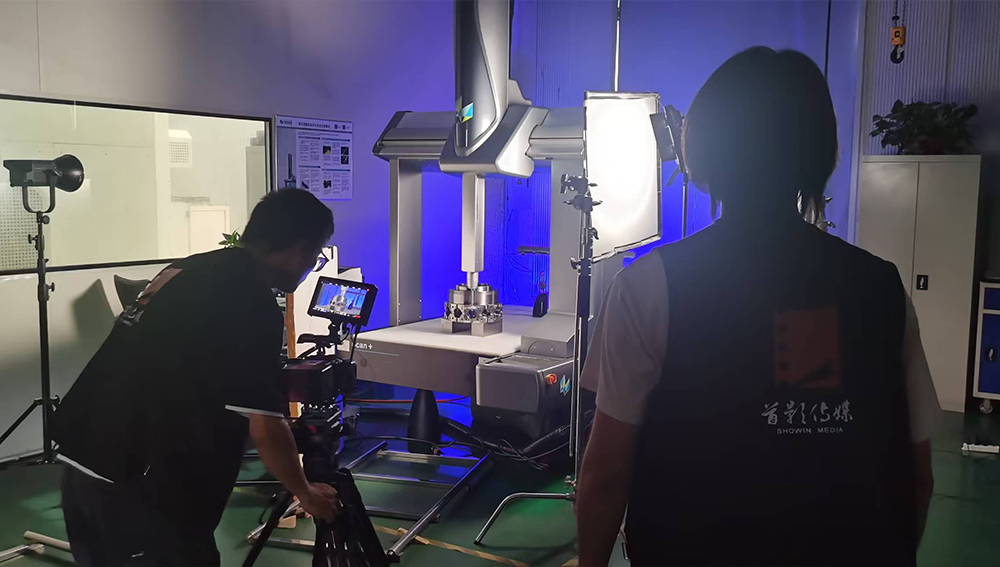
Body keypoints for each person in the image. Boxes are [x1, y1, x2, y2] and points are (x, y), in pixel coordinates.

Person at [575, 47, 940, 566]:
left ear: (704, 150)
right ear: (819, 153)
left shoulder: (649, 288)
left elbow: (605, 479)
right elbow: (917, 476)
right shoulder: (883, 289)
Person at [53, 189, 340, 566]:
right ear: (300, 250)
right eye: (315, 257)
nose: (310, 267)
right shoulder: (249, 299)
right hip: (136, 482)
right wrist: (305, 491)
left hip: (83, 460)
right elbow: (265, 426)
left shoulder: (189, 268)